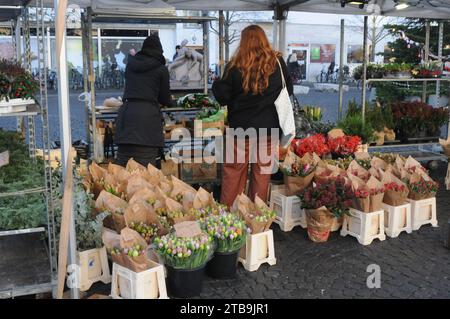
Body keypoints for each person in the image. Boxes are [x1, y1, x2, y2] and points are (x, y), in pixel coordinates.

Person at [212, 25, 293, 207]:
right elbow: (289, 90)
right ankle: (255, 217)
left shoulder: (235, 66)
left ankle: (229, 219)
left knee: (233, 173)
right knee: (261, 176)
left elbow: (222, 97)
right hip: (268, 130)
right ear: (264, 40)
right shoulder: (277, 62)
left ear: (243, 42)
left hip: (240, 129)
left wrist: (217, 82)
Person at [114, 34, 173, 168]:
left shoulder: (131, 65)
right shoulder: (161, 69)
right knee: (146, 174)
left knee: (123, 173)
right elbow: (165, 99)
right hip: (147, 125)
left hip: (126, 119)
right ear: (159, 52)